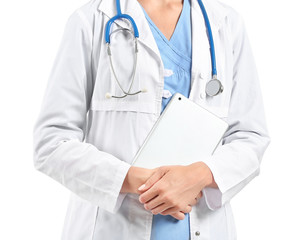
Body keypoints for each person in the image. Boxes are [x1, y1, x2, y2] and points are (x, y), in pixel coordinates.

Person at [32, 0, 270, 239]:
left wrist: (201, 175)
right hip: (114, 227)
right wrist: (135, 180)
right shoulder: (91, 20)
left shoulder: (226, 23)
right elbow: (51, 142)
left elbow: (251, 136)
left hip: (203, 226)